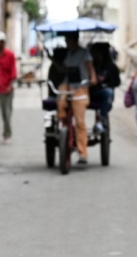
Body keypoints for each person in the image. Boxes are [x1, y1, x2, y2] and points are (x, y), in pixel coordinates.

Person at [50, 31, 96, 165]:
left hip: (81, 86)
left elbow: (90, 67)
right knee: (60, 98)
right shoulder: (69, 54)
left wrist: (93, 77)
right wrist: (52, 60)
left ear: (74, 40)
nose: (67, 43)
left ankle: (83, 153)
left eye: (68, 40)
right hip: (68, 84)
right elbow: (64, 69)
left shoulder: (84, 53)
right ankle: (63, 121)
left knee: (80, 122)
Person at [89, 42, 120, 133]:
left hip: (103, 94)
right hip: (90, 92)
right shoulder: (90, 64)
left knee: (109, 92)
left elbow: (117, 82)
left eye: (97, 52)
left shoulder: (111, 67)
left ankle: (100, 120)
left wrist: (107, 84)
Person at [0, 31, 17, 145]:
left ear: (2, 43)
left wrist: (10, 85)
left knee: (6, 113)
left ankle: (7, 134)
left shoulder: (10, 55)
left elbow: (13, 72)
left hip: (7, 89)